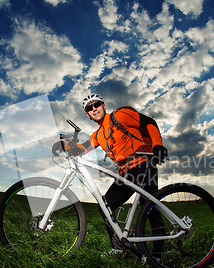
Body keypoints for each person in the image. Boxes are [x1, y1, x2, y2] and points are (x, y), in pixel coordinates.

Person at [54, 93, 168, 255]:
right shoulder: (98, 135)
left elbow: (149, 122)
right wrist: (63, 145)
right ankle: (118, 248)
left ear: (104, 106)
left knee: (149, 209)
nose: (94, 109)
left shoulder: (120, 116)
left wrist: (157, 145)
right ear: (87, 114)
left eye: (97, 105)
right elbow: (82, 149)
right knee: (105, 206)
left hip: (143, 164)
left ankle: (157, 255)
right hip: (125, 173)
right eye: (89, 108)